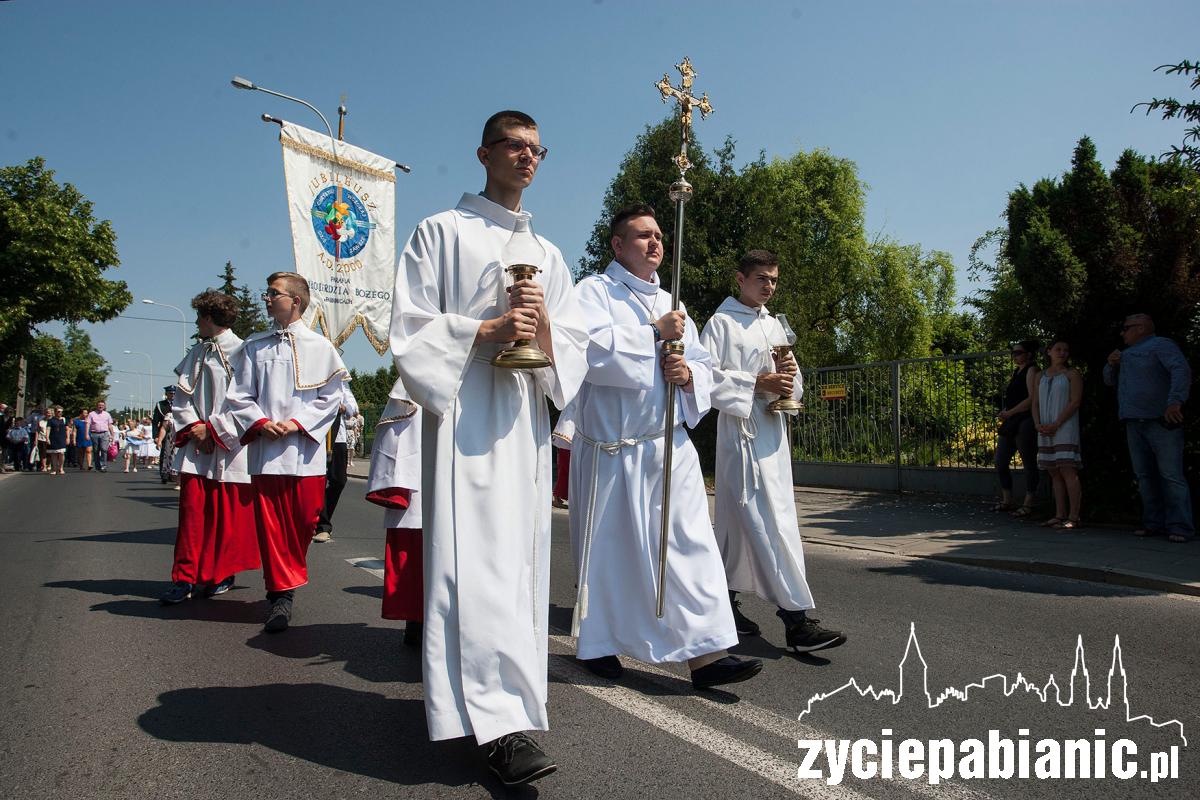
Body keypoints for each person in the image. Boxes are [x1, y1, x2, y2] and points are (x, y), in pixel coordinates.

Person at [387, 110, 588, 786]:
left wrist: (543, 331)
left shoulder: (551, 256)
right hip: (467, 424)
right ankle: (495, 724)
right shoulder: (441, 232)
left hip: (523, 427)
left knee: (519, 571)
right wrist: (486, 330)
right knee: (469, 572)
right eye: (515, 145)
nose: (527, 157)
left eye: (537, 149)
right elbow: (409, 329)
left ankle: (508, 708)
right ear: (484, 152)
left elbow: (574, 358)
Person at [568, 205, 762, 691]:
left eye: (658, 236)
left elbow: (701, 367)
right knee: (612, 555)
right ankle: (600, 643)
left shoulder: (673, 302)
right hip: (611, 449)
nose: (655, 244)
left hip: (667, 447)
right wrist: (654, 335)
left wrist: (687, 375)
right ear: (617, 245)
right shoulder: (593, 292)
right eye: (642, 236)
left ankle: (708, 654)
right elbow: (588, 353)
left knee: (690, 547)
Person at [699, 249, 846, 654]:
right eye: (761, 278)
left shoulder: (775, 326)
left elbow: (793, 387)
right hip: (742, 437)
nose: (769, 286)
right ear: (740, 279)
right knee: (765, 526)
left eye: (774, 280)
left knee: (741, 527)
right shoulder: (721, 323)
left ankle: (724, 605)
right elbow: (705, 380)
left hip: (774, 439)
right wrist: (754, 383)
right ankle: (796, 621)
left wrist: (788, 383)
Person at [223, 271, 348, 632]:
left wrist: (297, 424)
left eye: (273, 293)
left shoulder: (321, 348)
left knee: (304, 521)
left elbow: (332, 396)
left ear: (295, 301)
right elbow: (238, 396)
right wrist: (261, 422)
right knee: (271, 526)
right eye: (265, 292)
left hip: (304, 453)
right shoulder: (253, 347)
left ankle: (284, 582)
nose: (266, 298)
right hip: (267, 452)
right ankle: (281, 595)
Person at [160, 290, 262, 604]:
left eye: (198, 317)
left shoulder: (245, 352)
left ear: (207, 318)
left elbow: (249, 402)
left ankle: (220, 574)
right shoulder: (197, 352)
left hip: (231, 451)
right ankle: (184, 578)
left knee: (226, 521)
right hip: (198, 451)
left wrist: (215, 431)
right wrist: (194, 430)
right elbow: (182, 398)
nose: (196, 322)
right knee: (191, 520)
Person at [1104, 313, 1194, 543]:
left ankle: (1181, 526)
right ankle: (1153, 523)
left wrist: (1175, 401)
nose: (1122, 333)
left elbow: (1180, 369)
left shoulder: (1160, 345)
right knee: (1144, 476)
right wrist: (1110, 365)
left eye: (1126, 328)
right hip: (1133, 422)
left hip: (1159, 421)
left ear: (1141, 328)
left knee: (1171, 475)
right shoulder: (1124, 355)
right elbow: (1109, 381)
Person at [365, 388, 423, 648]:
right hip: (423, 483)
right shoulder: (415, 380)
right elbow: (397, 434)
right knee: (417, 553)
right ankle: (417, 618)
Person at [1031, 338, 1083, 530]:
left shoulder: (1072, 374)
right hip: (1044, 428)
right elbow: (1035, 402)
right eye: (1058, 349)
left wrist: (1057, 423)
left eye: (1065, 349)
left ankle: (1074, 516)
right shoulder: (1040, 376)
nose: (1062, 353)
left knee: (1068, 469)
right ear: (1049, 351)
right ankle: (1059, 514)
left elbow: (1075, 402)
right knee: (1054, 472)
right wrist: (1037, 423)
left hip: (1064, 428)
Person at [994, 340, 1041, 517]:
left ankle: (1029, 502)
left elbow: (1031, 399)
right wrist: (1006, 411)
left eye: (1018, 352)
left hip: (1025, 419)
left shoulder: (1032, 370)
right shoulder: (1017, 371)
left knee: (1028, 461)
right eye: (1013, 353)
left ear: (1029, 354)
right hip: (1012, 419)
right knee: (1001, 460)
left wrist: (1011, 412)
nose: (1015, 356)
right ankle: (1007, 499)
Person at [312, 383, 359, 543]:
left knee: (339, 480)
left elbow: (353, 406)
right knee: (317, 481)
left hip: (337, 438)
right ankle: (322, 526)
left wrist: (344, 408)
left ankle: (318, 515)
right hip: (315, 435)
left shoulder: (340, 380)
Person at [551, 401, 574, 509]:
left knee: (565, 468)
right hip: (567, 437)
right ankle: (557, 495)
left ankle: (558, 495)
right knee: (565, 468)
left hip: (567, 437)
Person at [154, 386, 178, 485]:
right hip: (165, 433)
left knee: (176, 455)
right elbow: (155, 421)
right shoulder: (161, 405)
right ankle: (164, 474)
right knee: (165, 453)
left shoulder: (180, 404)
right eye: (170, 393)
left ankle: (174, 474)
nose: (172, 395)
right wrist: (156, 436)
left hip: (177, 433)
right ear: (166, 394)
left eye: (174, 393)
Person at [85, 401, 115, 472]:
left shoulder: (107, 414)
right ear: (97, 406)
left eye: (102, 405)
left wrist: (112, 435)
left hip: (104, 434)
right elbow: (88, 424)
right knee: (96, 451)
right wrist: (86, 434)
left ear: (104, 406)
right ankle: (97, 466)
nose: (101, 406)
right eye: (99, 405)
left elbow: (110, 425)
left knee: (104, 449)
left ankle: (103, 466)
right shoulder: (91, 414)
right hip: (94, 434)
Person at [45, 406, 68, 476]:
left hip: (62, 438)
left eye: (61, 412)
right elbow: (48, 429)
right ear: (55, 412)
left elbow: (67, 429)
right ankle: (54, 469)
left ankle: (61, 468)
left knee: (61, 453)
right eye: (58, 411)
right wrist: (47, 438)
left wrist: (68, 438)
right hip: (53, 438)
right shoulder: (51, 420)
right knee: (54, 454)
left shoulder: (64, 419)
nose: (60, 413)